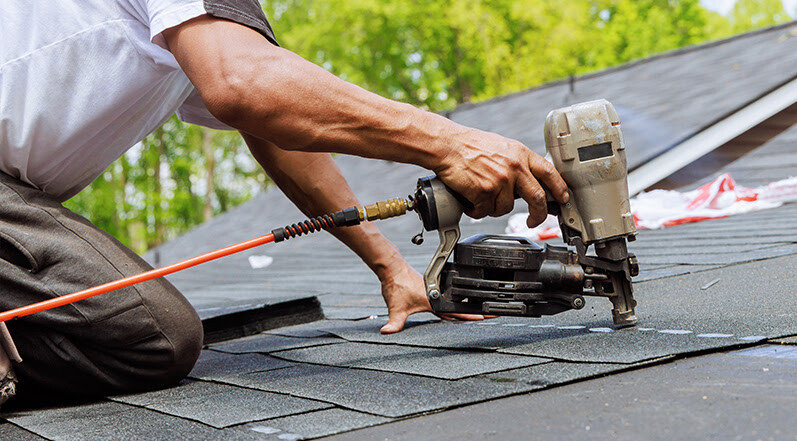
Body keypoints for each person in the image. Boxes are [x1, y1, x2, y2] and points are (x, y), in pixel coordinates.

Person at [0, 0, 568, 406]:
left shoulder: (201, 23)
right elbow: (245, 84)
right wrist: (451, 144)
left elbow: (273, 127)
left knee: (147, 333)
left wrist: (391, 268)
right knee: (152, 336)